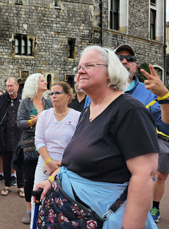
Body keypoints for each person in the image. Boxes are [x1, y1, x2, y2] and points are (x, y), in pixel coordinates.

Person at [34, 46, 158, 228]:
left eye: (89, 65)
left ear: (110, 72)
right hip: (68, 211)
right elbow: (72, 163)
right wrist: (50, 181)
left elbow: (144, 175)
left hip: (102, 215)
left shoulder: (130, 110)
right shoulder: (87, 111)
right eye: (79, 67)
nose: (80, 70)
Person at [114, 44, 169, 223]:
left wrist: (164, 97)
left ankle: (154, 207)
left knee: (135, 216)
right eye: (120, 58)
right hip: (109, 161)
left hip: (138, 159)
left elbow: (165, 126)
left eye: (130, 59)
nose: (124, 61)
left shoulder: (149, 91)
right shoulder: (98, 90)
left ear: (135, 66)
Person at [32, 81, 80, 226]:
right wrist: (49, 162)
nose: (53, 96)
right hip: (44, 164)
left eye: (58, 93)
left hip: (68, 166)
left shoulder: (78, 116)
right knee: (39, 199)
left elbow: (78, 143)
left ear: (68, 96)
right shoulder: (44, 115)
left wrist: (61, 164)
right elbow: (39, 141)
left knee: (65, 204)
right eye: (51, 93)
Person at [16, 73, 53, 224]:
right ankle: (29, 210)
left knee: (48, 176)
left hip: (47, 144)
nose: (45, 82)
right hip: (30, 145)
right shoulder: (25, 103)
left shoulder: (48, 102)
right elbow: (20, 123)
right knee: (30, 178)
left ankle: (45, 207)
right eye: (42, 80)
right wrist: (36, 121)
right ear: (34, 84)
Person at [0, 78, 24, 197]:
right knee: (6, 162)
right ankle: (7, 186)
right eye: (7, 86)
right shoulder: (2, 100)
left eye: (11, 86)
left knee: (20, 162)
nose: (9, 88)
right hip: (6, 135)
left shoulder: (24, 100)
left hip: (20, 136)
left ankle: (21, 186)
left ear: (17, 87)